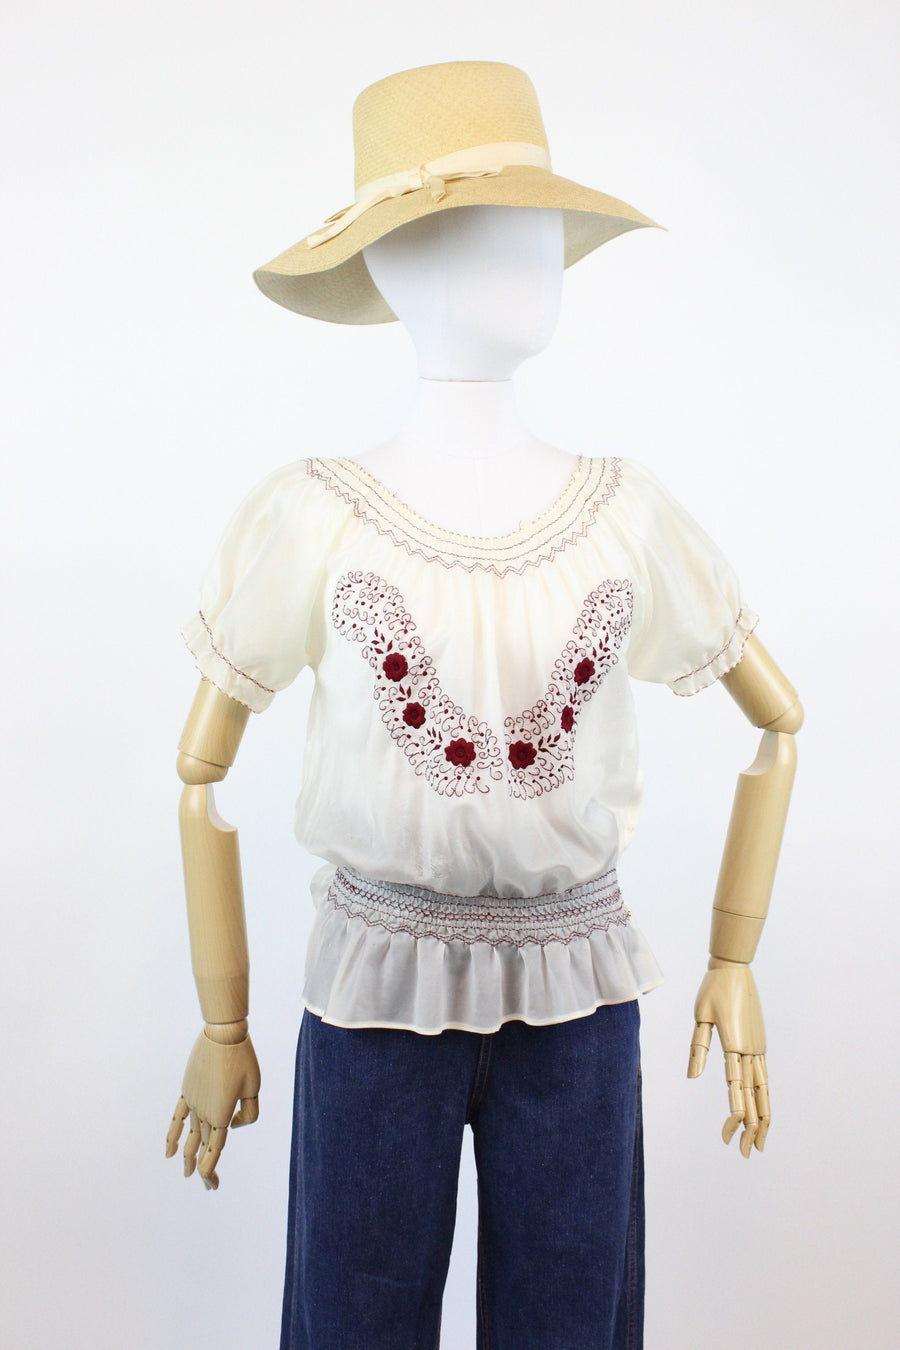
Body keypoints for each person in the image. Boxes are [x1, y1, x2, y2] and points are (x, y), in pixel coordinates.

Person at [166, 61, 801, 1350]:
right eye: (482, 223)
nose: (533, 253)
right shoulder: (314, 516)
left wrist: (733, 961)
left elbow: (776, 718)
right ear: (392, 260)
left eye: (540, 223)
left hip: (579, 992)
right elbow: (200, 774)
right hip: (374, 990)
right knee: (349, 1319)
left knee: (576, 1322)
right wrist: (222, 1021)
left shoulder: (626, 512)